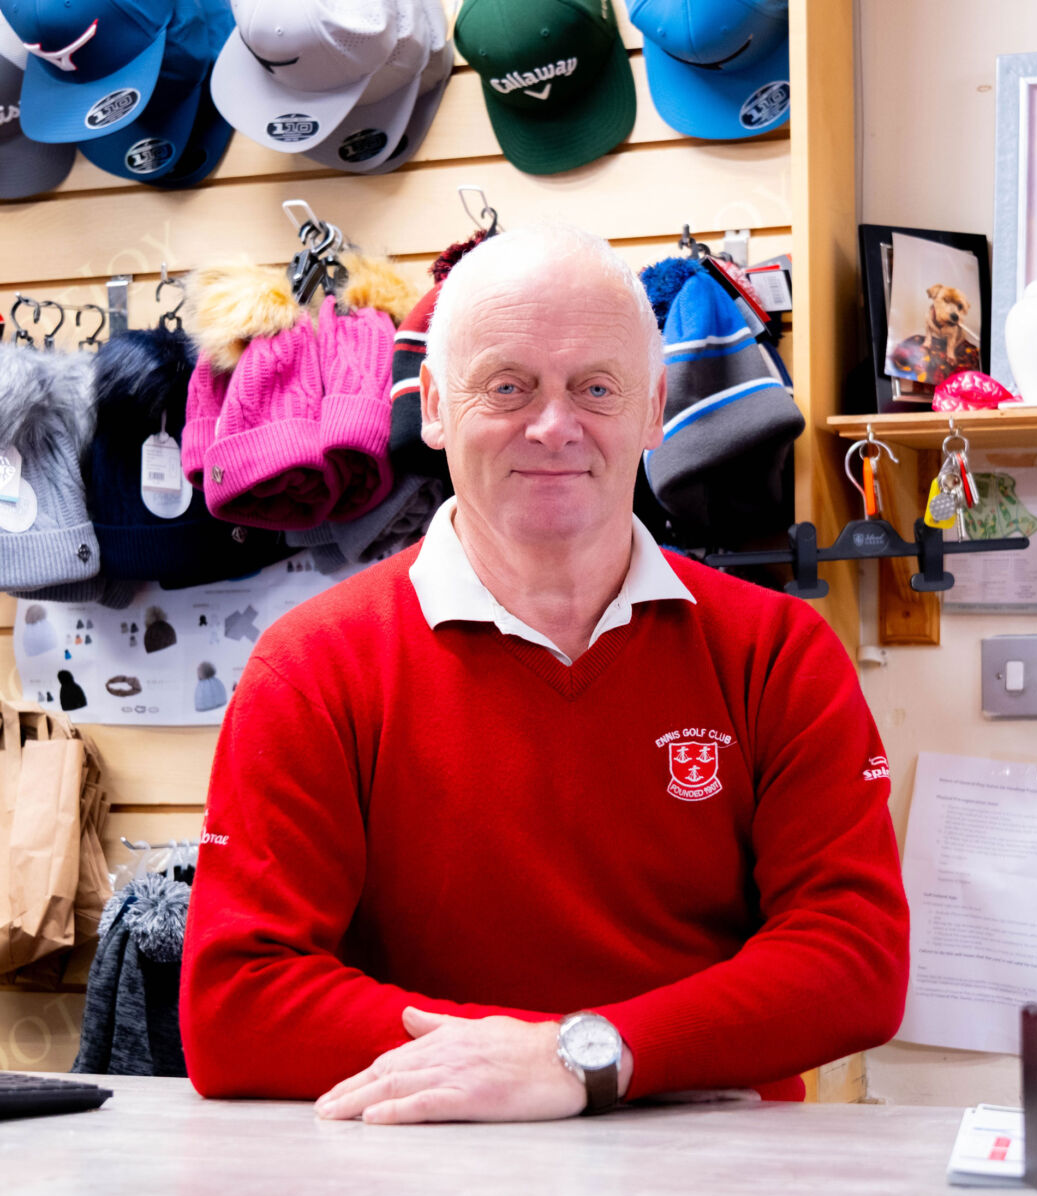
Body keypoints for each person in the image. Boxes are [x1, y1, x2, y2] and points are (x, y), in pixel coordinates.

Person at [179, 224, 909, 1124]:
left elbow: (854, 962)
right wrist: (532, 1063)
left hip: (712, 1176)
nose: (554, 424)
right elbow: (236, 1006)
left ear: (651, 409)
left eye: (594, 388)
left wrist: (577, 1060)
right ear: (435, 408)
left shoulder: (777, 653)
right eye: (507, 386)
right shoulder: (313, 667)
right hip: (422, 1168)